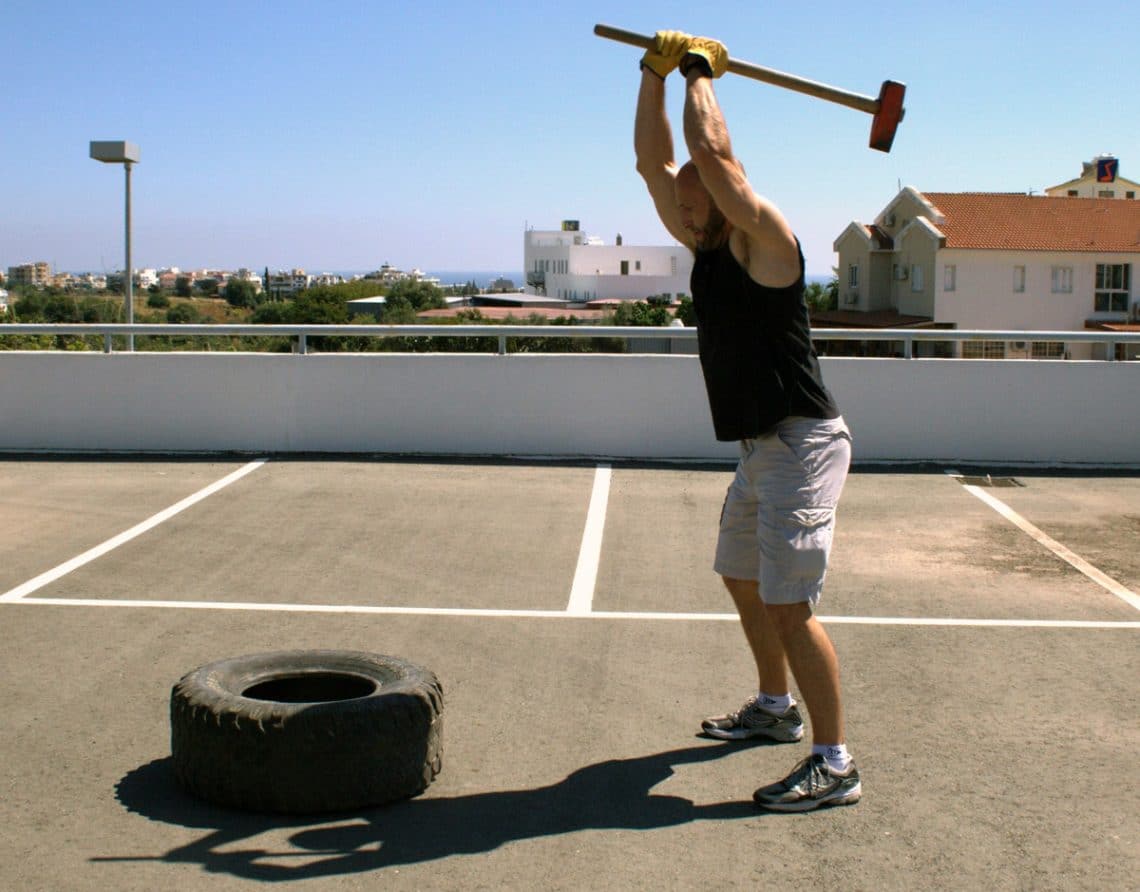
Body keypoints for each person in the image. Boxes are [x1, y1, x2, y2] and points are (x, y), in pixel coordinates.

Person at [633, 31, 860, 812]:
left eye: (692, 201)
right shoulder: (704, 239)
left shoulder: (766, 240)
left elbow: (711, 155)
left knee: (790, 604)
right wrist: (651, 74)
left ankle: (835, 763)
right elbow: (653, 163)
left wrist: (699, 72)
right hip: (759, 445)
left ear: (721, 196)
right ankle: (775, 710)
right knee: (742, 577)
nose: (680, 208)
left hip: (800, 440)